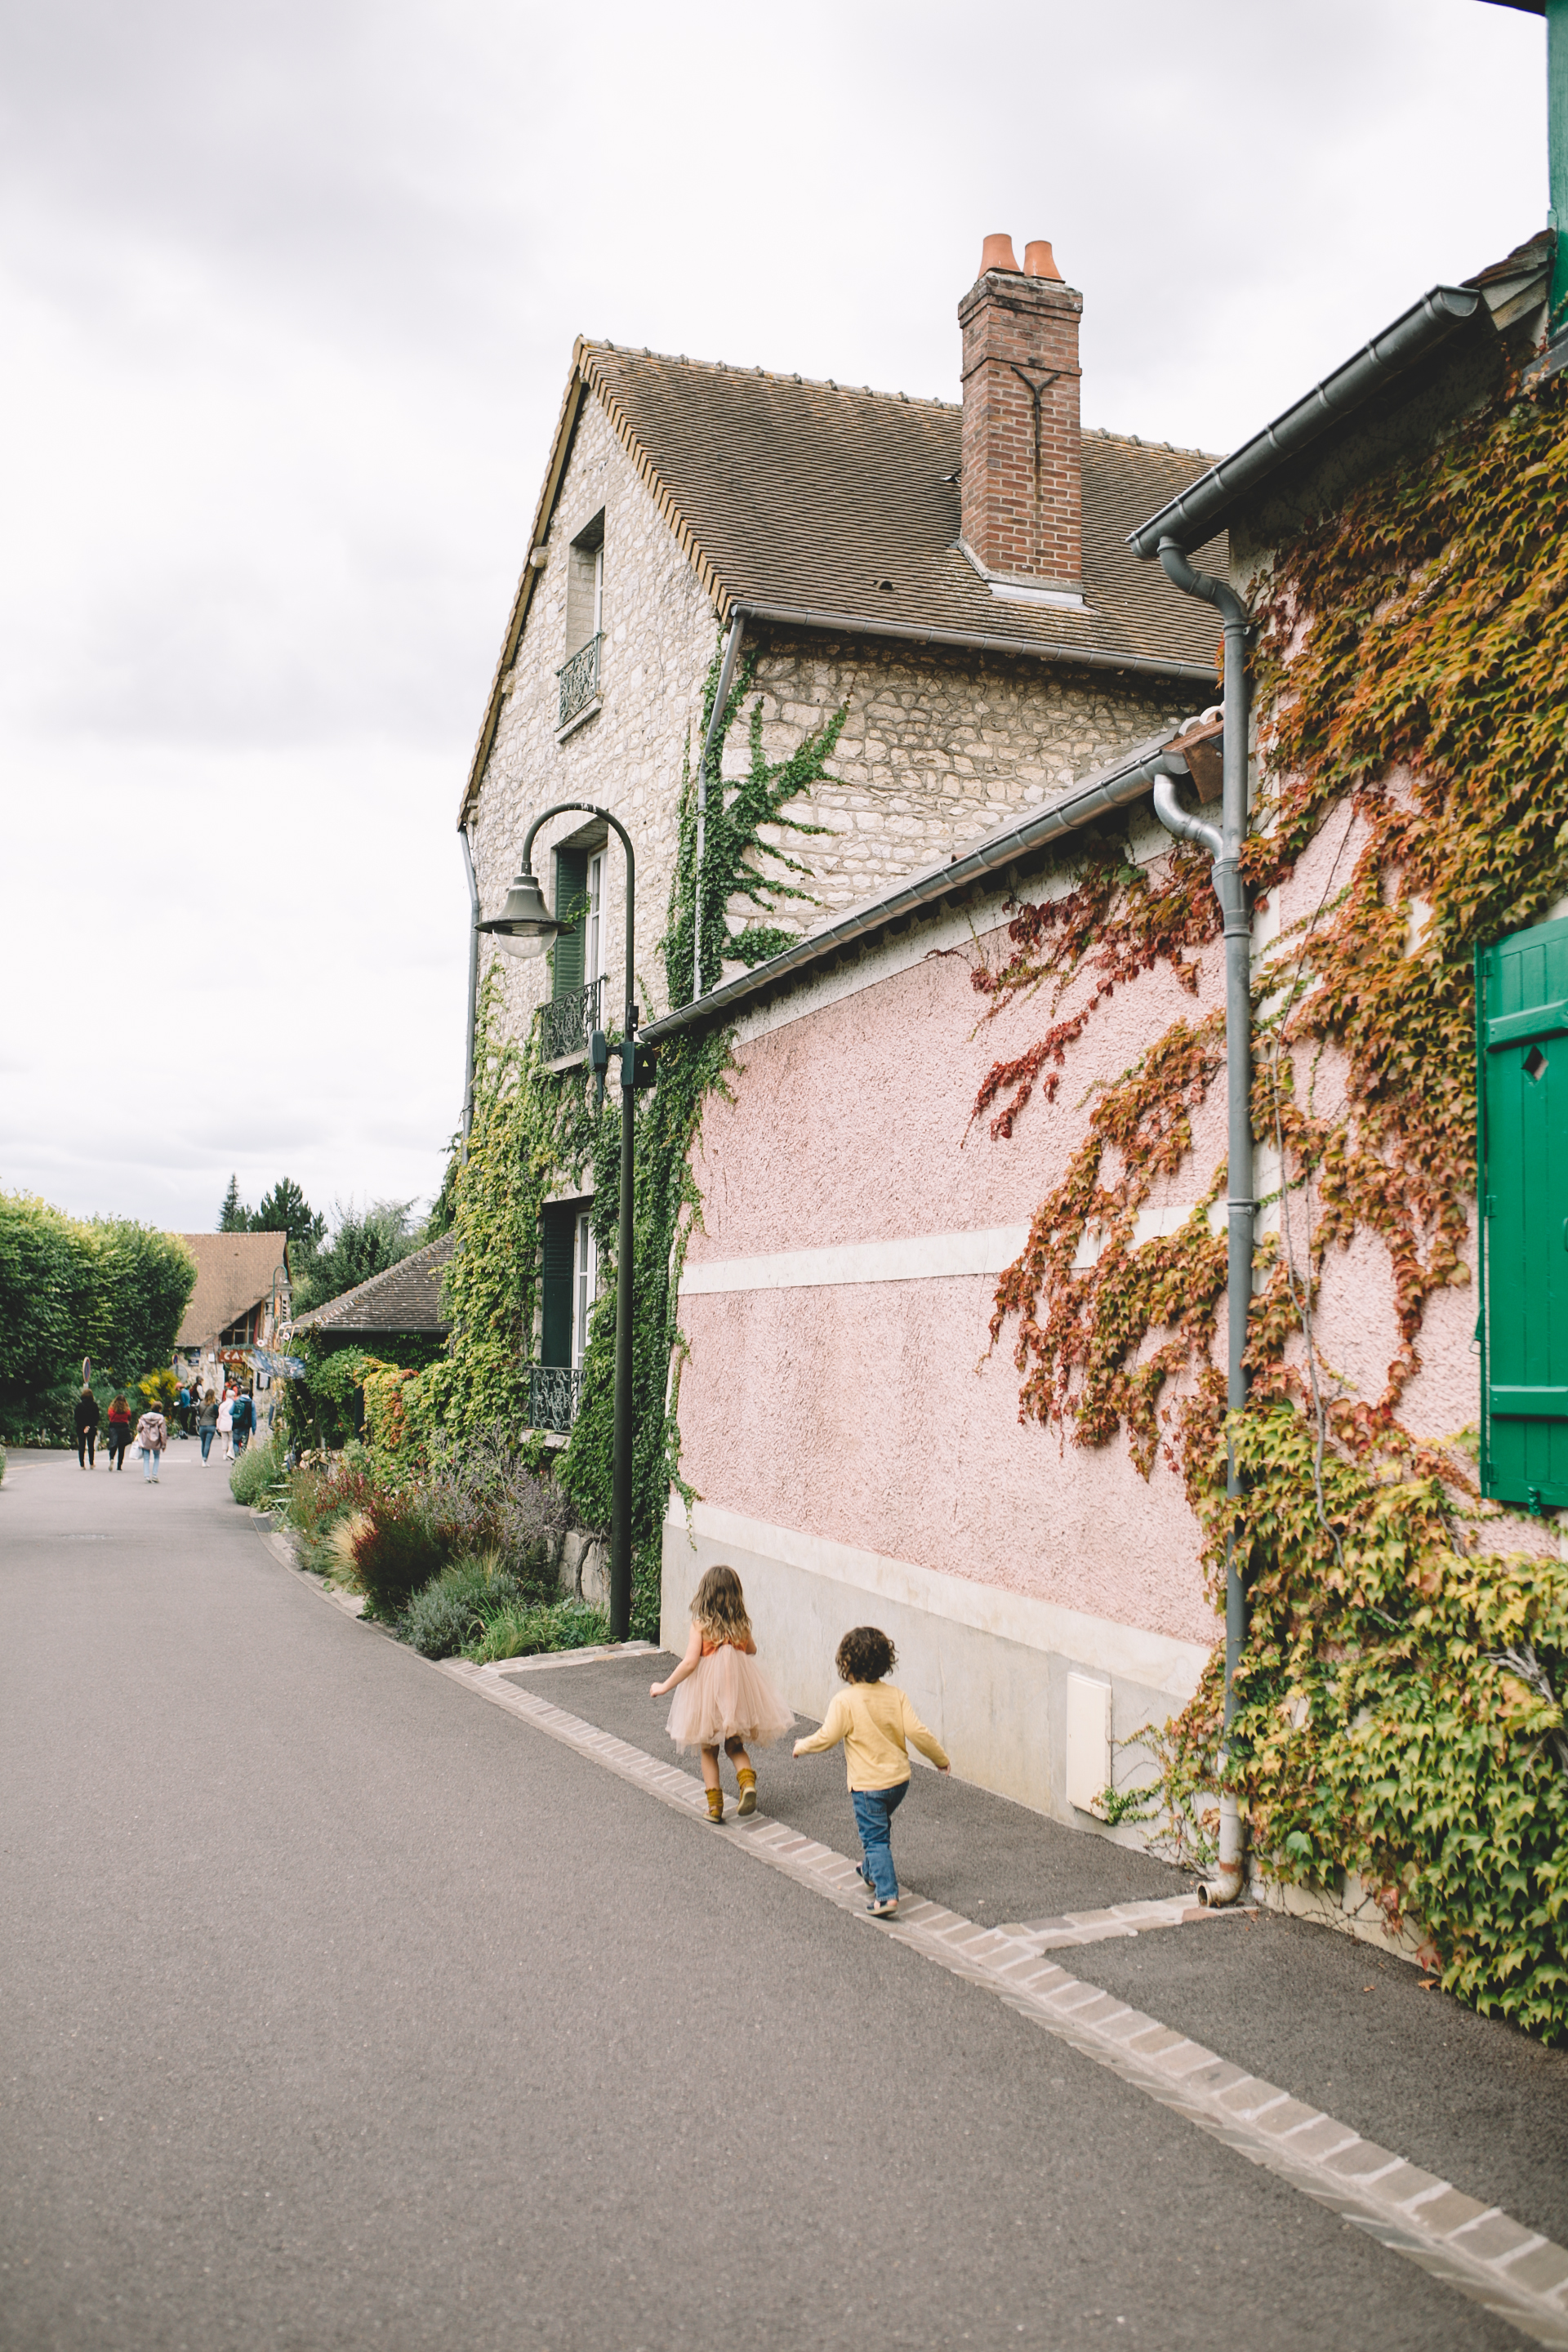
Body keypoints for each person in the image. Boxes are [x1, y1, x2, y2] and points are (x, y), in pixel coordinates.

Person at [793, 1627, 950, 1919]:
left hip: (868, 1786)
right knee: (879, 1827)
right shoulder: (896, 1696)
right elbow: (917, 1732)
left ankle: (887, 1895)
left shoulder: (845, 1701)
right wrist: (940, 1758)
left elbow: (827, 1737)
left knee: (875, 1839)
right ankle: (869, 1870)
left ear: (847, 1666)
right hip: (898, 1783)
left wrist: (802, 1745)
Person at [651, 1564, 794, 1823]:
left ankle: (715, 1807)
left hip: (708, 1694)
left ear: (704, 1594)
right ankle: (747, 1781)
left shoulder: (701, 1625)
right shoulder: (740, 1625)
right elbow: (751, 1650)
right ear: (735, 1595)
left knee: (708, 1749)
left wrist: (664, 1685)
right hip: (737, 1693)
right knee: (734, 1743)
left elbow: (690, 1663)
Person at [135, 1403, 168, 1484]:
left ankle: (146, 1476)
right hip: (156, 1441)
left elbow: (139, 1428)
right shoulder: (161, 1418)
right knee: (156, 1457)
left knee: (146, 1458)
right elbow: (163, 1432)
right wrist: (163, 1444)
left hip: (146, 1440)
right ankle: (154, 1476)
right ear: (160, 1409)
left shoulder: (144, 1417)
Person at [73, 1384, 100, 1469]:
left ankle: (82, 1465)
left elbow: (76, 1417)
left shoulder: (79, 1405)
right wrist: (91, 1425)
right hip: (91, 1428)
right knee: (91, 1445)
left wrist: (83, 1425)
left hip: (81, 1428)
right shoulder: (94, 1405)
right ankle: (91, 1463)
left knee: (82, 1445)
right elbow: (97, 1417)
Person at [105, 1393, 133, 1471]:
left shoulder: (111, 1409)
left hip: (114, 1427)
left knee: (113, 1445)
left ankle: (111, 1459)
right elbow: (129, 1418)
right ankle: (119, 1466)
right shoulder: (127, 1410)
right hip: (124, 1428)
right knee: (122, 1448)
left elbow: (110, 1417)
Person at [231, 1388, 255, 1458]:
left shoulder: (236, 1401)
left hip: (236, 1425)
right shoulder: (251, 1403)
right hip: (246, 1425)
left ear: (241, 1393)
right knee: (244, 1443)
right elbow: (253, 1416)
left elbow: (230, 1412)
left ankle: (237, 1457)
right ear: (248, 1392)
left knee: (235, 1442)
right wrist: (254, 1428)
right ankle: (242, 1458)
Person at [198, 1388, 220, 1463]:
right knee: (208, 1443)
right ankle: (204, 1459)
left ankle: (203, 1458)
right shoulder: (214, 1405)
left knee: (203, 1443)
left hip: (202, 1425)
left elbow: (199, 1413)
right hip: (211, 1425)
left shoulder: (201, 1404)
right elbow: (217, 1415)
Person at [217, 1387, 235, 1462]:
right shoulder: (233, 1404)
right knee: (231, 1439)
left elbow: (219, 1416)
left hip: (223, 1424)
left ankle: (224, 1454)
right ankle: (229, 1451)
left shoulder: (222, 1405)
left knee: (224, 1439)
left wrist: (218, 1425)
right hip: (231, 1424)